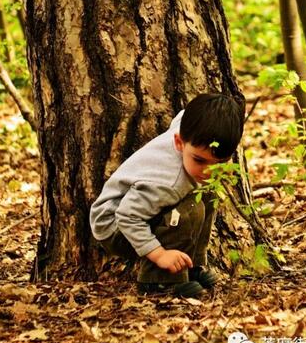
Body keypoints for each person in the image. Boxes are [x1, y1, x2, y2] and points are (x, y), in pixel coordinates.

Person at [90, 94, 244, 297]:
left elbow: (182, 116)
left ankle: (189, 266)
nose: (208, 171)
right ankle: (159, 280)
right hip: (114, 226)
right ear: (179, 142)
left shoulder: (189, 127)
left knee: (206, 194)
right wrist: (159, 255)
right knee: (191, 209)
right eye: (199, 160)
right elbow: (127, 216)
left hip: (139, 208)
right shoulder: (169, 183)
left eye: (220, 162)